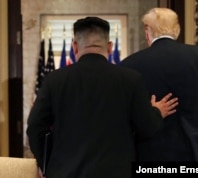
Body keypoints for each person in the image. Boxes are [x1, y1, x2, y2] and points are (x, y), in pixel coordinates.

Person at [26, 16, 178, 178]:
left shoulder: (54, 80)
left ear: (74, 47)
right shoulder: (131, 80)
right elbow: (146, 127)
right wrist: (157, 112)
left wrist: (47, 164)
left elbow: (35, 127)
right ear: (110, 47)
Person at [120, 7, 198, 162]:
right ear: (177, 30)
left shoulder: (129, 65)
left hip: (152, 155)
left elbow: (125, 121)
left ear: (147, 32)